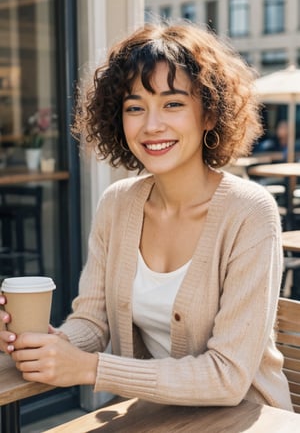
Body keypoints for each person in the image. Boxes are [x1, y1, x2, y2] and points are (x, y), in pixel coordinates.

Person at [0, 21, 293, 411]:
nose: (152, 125)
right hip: (155, 418)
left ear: (209, 114)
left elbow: (227, 377)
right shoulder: (117, 204)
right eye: (135, 108)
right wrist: (50, 346)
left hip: (244, 418)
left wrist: (90, 369)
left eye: (173, 104)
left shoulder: (250, 213)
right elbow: (92, 322)